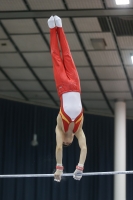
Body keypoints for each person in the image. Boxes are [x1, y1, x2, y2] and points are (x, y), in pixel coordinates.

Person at [47, 16, 87, 182]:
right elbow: (84, 148)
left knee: (56, 57)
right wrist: (80, 167)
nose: (66, 142)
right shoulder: (79, 130)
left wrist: (59, 168)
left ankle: (52, 29)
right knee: (68, 55)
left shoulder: (59, 127)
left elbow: (57, 148)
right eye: (68, 144)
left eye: (65, 143)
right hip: (76, 85)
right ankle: (60, 28)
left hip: (63, 87)